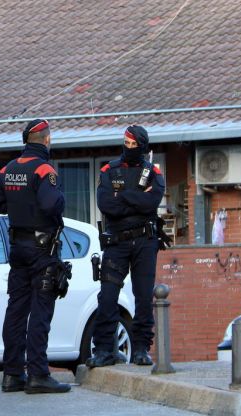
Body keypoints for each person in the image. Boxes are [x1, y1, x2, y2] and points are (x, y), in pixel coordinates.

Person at [0, 119, 71, 394]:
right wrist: (57, 199)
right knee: (41, 312)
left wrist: (18, 203)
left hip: (17, 250)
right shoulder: (44, 169)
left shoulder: (9, 169)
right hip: (42, 251)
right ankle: (38, 374)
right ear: (46, 140)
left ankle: (12, 375)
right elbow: (51, 204)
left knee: (16, 312)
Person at [86, 125, 166, 368]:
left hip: (145, 241)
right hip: (116, 242)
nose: (129, 148)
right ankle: (103, 350)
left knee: (143, 297)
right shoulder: (110, 170)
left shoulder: (153, 171)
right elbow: (106, 204)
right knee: (107, 297)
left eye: (134, 145)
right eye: (126, 143)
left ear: (142, 146)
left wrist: (124, 197)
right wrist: (136, 198)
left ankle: (141, 348)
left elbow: (152, 201)